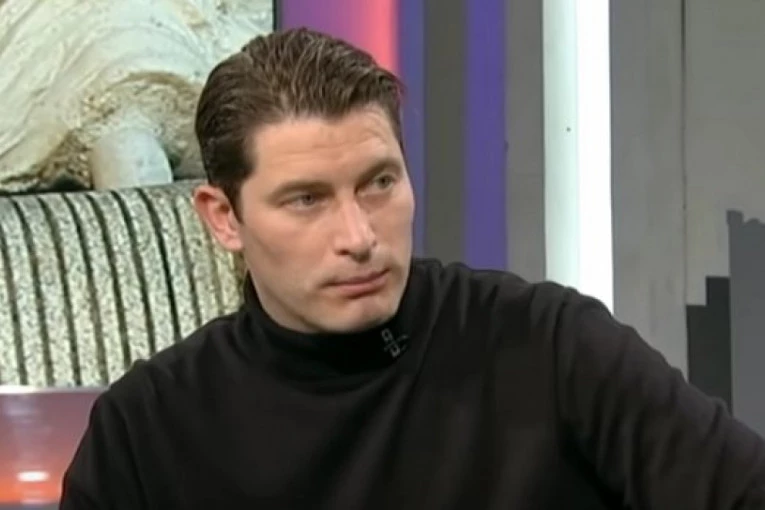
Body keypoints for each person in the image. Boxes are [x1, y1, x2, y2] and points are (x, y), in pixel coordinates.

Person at [60, 28, 765, 509]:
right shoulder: (147, 431)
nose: (359, 236)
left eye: (379, 183)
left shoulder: (547, 346)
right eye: (306, 199)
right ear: (223, 217)